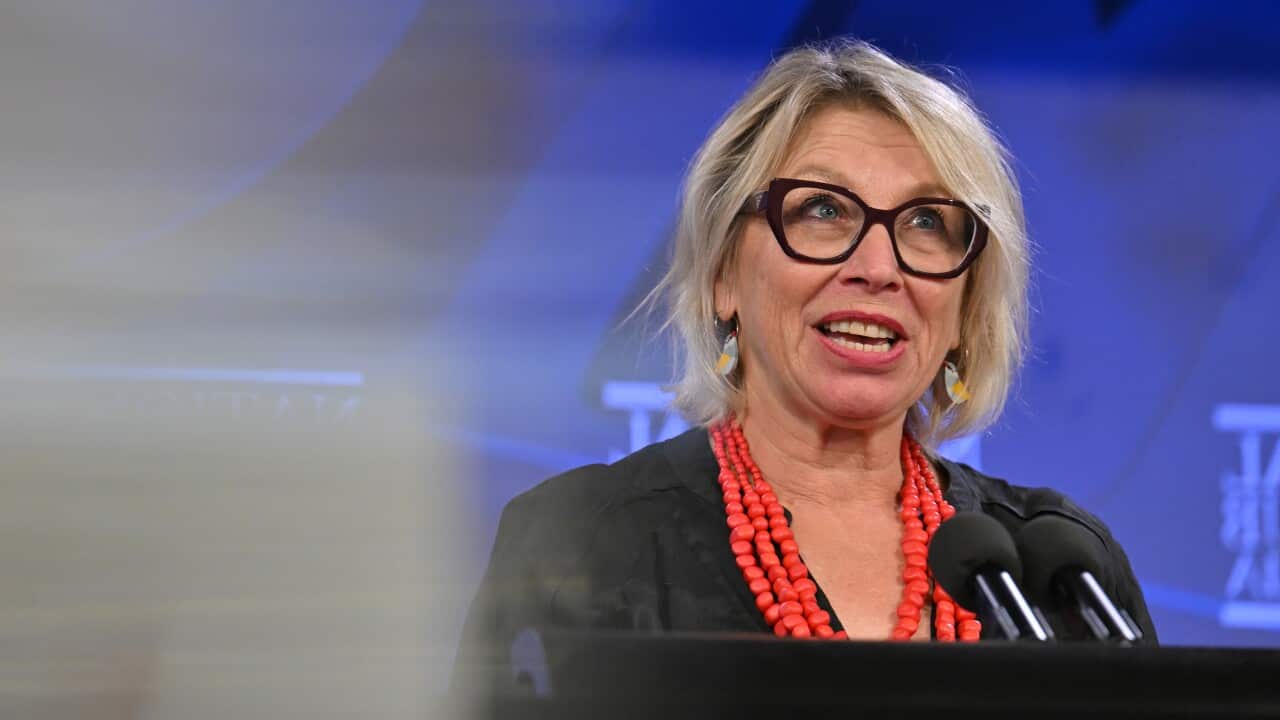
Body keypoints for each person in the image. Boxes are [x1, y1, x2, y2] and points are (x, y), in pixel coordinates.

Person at [455, 37, 1157, 675]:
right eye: (823, 211)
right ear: (723, 275)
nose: (879, 267)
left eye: (926, 223)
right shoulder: (584, 543)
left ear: (965, 309)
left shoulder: (1058, 569)